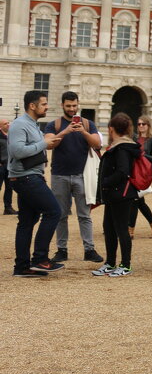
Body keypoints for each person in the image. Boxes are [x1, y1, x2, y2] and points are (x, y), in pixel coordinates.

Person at [7, 90, 66, 276]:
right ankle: (40, 259)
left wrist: (50, 141)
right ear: (32, 106)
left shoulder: (32, 124)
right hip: (26, 177)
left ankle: (22, 267)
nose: (47, 107)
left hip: (28, 176)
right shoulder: (19, 125)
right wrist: (43, 144)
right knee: (54, 211)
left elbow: (39, 145)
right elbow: (17, 151)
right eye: (44, 104)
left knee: (27, 221)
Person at [46, 91, 103, 264]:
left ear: (78, 105)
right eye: (68, 106)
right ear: (62, 105)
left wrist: (83, 132)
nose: (72, 109)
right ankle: (61, 249)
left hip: (82, 175)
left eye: (74, 105)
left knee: (84, 215)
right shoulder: (54, 124)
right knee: (61, 215)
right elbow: (48, 144)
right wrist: (65, 131)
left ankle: (89, 249)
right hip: (59, 175)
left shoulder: (87, 123)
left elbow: (98, 144)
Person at [94, 113, 141, 277]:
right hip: (114, 195)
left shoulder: (122, 148)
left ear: (111, 129)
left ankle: (126, 264)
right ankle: (110, 262)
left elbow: (122, 171)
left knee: (121, 229)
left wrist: (105, 182)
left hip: (122, 194)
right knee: (109, 228)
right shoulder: (120, 145)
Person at [129, 116, 152, 239]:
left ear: (148, 125)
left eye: (143, 124)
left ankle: (130, 230)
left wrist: (142, 154)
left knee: (135, 200)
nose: (141, 126)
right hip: (133, 171)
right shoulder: (134, 138)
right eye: (139, 124)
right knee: (139, 201)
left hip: (145, 172)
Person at [1, 117, 12, 215]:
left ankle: (8, 208)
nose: (8, 125)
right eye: (5, 123)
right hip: (1, 166)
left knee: (9, 187)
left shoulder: (11, 136)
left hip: (10, 166)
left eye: (8, 123)